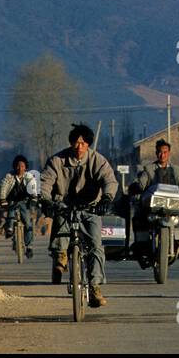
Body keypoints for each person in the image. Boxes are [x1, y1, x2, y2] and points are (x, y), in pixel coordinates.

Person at [39, 124, 118, 307]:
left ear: (88, 144)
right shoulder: (57, 160)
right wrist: (46, 200)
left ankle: (95, 287)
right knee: (59, 220)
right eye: (76, 142)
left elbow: (109, 180)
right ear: (71, 142)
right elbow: (45, 181)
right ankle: (60, 255)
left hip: (90, 208)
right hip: (65, 206)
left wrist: (106, 198)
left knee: (96, 246)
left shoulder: (97, 160)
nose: (79, 147)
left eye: (83, 143)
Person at [0, 155, 38, 258]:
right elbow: (3, 187)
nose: (20, 168)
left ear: (26, 167)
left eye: (22, 166)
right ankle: (10, 229)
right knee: (11, 210)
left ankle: (29, 247)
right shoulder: (9, 176)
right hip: (12, 200)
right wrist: (3, 199)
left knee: (28, 223)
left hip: (24, 201)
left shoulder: (29, 177)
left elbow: (33, 187)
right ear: (15, 167)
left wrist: (34, 198)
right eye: (18, 166)